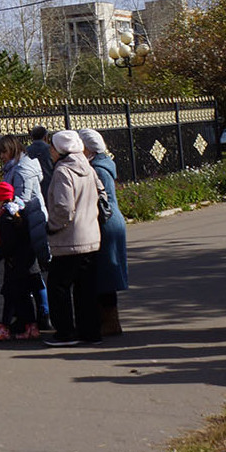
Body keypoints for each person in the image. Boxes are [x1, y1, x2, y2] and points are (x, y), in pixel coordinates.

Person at [42, 129, 102, 347]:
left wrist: (52, 226)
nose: (50, 151)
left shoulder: (63, 171)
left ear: (60, 149)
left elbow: (64, 207)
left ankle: (65, 332)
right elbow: (100, 193)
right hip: (91, 236)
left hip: (69, 239)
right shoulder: (87, 166)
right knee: (85, 288)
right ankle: (91, 331)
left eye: (52, 147)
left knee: (58, 286)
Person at [77, 129, 130, 337]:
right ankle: (108, 320)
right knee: (106, 273)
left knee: (104, 275)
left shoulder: (97, 168)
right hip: (111, 221)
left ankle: (110, 322)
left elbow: (101, 201)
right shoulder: (105, 163)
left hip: (105, 224)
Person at [0, 133, 51, 327]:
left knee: (31, 271)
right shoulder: (21, 166)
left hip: (29, 223)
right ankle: (40, 313)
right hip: (33, 220)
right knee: (32, 271)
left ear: (12, 149)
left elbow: (23, 198)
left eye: (4, 152)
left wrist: (8, 208)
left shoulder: (21, 169)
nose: (2, 156)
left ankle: (41, 314)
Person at [0, 180, 40, 340]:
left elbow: (9, 243)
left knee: (9, 296)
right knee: (23, 296)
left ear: (0, 199)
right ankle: (31, 326)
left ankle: (4, 327)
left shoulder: (5, 218)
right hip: (25, 263)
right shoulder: (18, 212)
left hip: (14, 264)